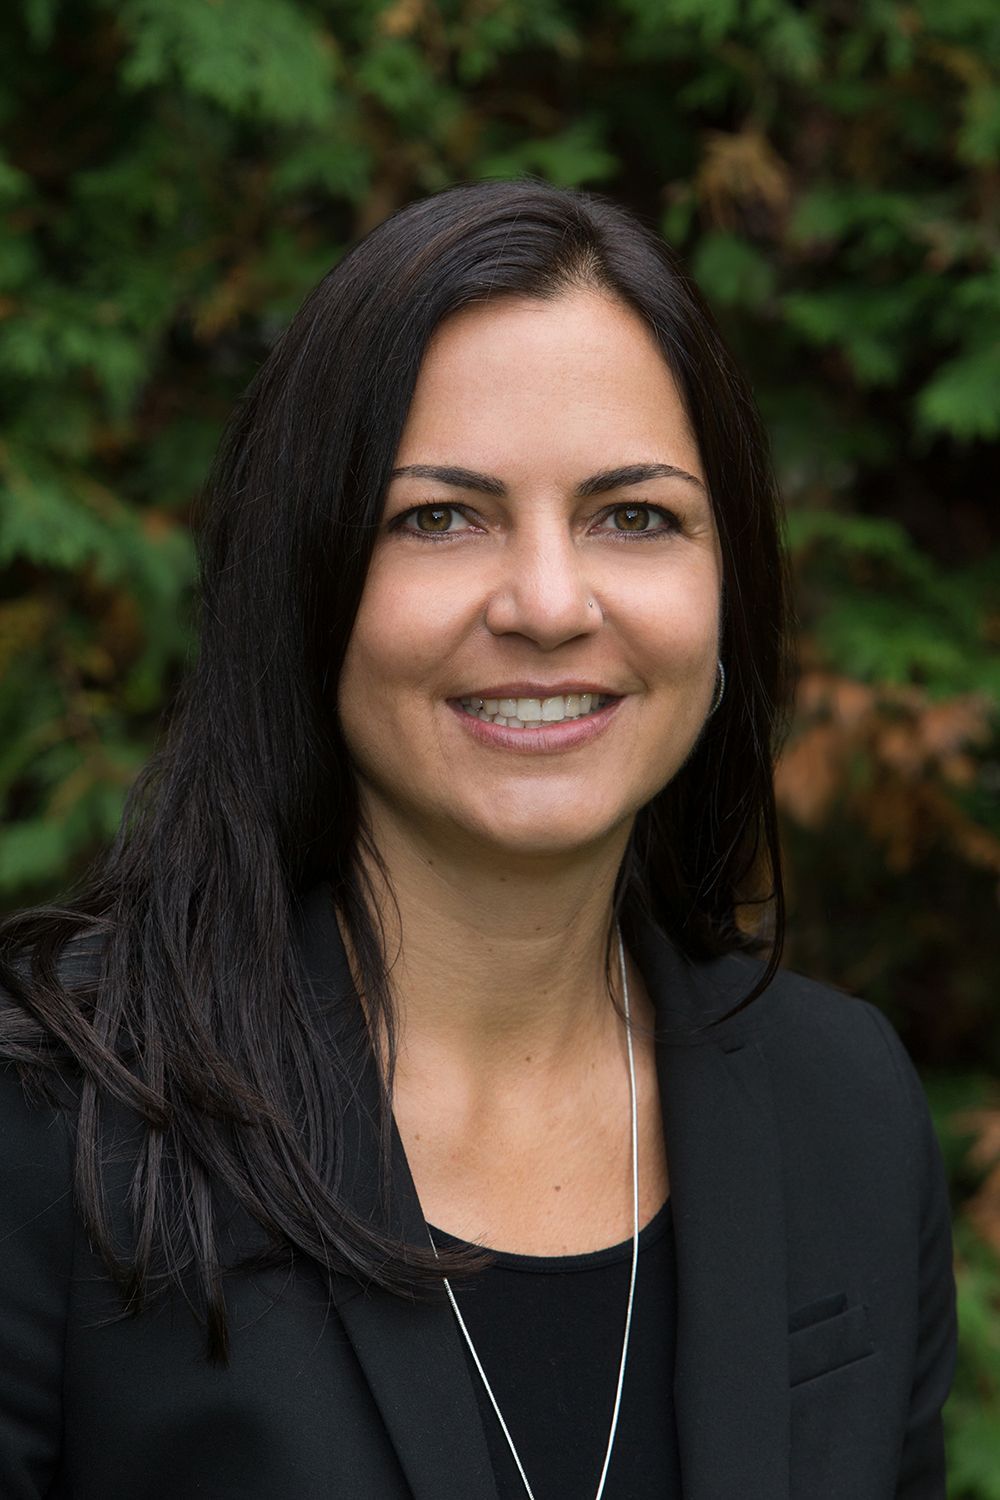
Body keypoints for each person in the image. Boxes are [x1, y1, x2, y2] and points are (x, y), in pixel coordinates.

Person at [0, 178, 956, 1500]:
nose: (551, 603)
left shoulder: (846, 1108)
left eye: (636, 516)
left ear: (725, 592)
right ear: (309, 583)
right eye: (439, 517)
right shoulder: (58, 1129)